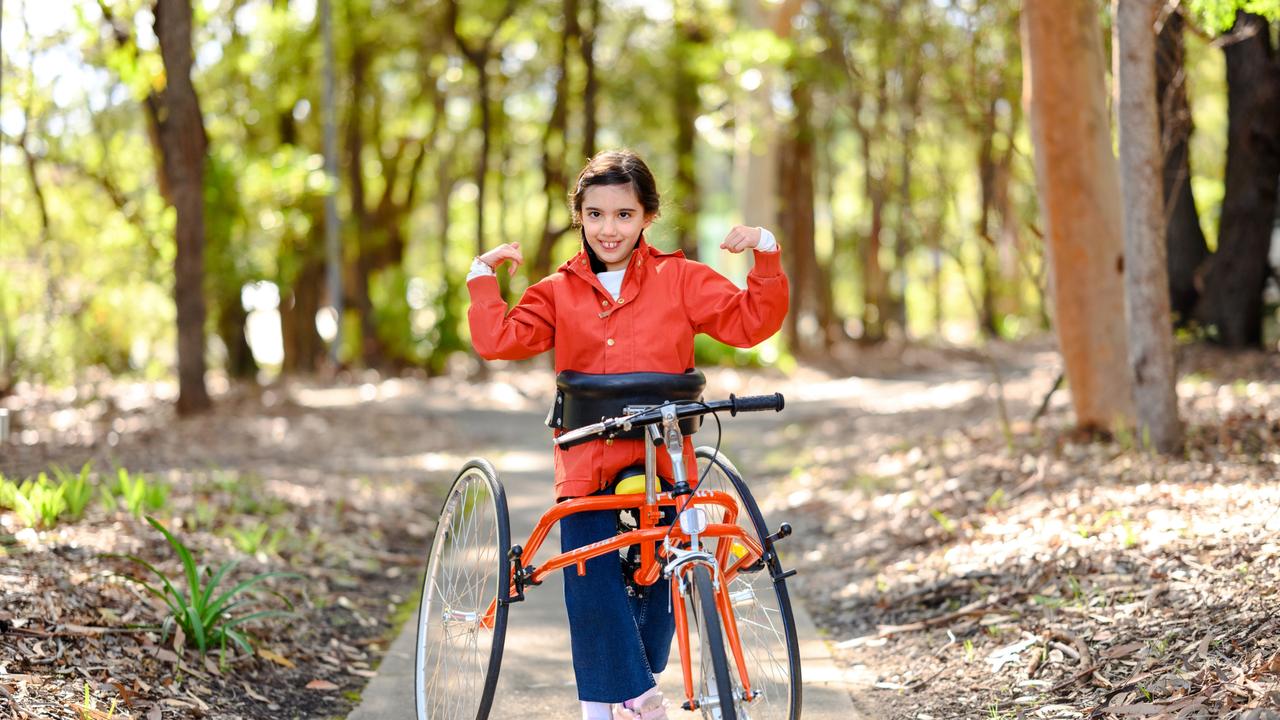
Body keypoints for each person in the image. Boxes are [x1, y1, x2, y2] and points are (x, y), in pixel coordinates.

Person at [466, 149, 788, 720]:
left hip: (667, 456)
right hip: (587, 454)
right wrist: (482, 277)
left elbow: (749, 322)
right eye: (595, 215)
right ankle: (629, 701)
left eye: (623, 214)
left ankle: (633, 684)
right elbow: (500, 340)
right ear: (579, 218)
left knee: (663, 574)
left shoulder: (681, 280)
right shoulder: (557, 291)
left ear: (646, 217)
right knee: (588, 566)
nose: (608, 228)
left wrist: (764, 251)